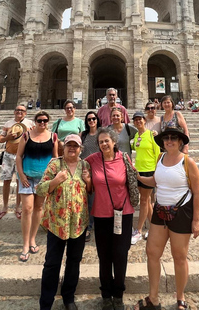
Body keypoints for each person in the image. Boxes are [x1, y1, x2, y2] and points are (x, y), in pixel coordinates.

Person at [135, 127, 199, 310]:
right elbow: (156, 182)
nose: (169, 141)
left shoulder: (188, 162)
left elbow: (197, 192)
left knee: (179, 256)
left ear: (180, 142)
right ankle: (153, 298)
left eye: (173, 138)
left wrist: (195, 221)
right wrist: (138, 177)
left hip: (182, 212)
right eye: (166, 138)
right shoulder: (160, 159)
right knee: (152, 252)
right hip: (159, 211)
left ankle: (180, 298)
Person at [36, 134, 91, 310]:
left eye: (76, 146)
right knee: (52, 263)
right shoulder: (55, 164)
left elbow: (89, 191)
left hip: (78, 223)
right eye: (69, 145)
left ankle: (68, 297)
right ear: (63, 147)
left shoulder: (85, 165)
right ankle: (46, 302)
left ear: (80, 149)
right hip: (56, 223)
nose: (72, 148)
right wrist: (55, 180)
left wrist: (88, 181)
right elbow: (40, 189)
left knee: (74, 262)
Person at [85, 128, 135, 310]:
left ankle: (119, 294)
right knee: (104, 256)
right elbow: (75, 165)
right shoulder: (92, 160)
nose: (104, 144)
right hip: (101, 215)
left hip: (123, 213)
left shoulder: (124, 158)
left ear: (114, 142)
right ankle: (106, 294)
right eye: (101, 142)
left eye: (107, 140)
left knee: (121, 255)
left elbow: (134, 178)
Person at [15, 110, 58, 262]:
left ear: (48, 122)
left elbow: (55, 158)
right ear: (35, 121)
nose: (42, 123)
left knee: (39, 208)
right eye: (39, 120)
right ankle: (25, 244)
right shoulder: (26, 135)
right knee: (27, 208)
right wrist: (20, 175)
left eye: (45, 120)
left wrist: (51, 178)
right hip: (27, 177)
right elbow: (18, 156)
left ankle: (32, 239)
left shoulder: (53, 136)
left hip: (43, 179)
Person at [0, 105, 35, 220]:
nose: (19, 112)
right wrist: (7, 137)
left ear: (26, 113)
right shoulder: (8, 123)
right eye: (17, 110)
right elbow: (0, 139)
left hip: (23, 156)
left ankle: (18, 207)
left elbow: (34, 137)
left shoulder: (30, 124)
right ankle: (5, 206)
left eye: (22, 110)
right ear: (14, 112)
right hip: (8, 155)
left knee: (20, 181)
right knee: (6, 180)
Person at [131, 112, 160, 245]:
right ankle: (155, 228)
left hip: (149, 171)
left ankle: (138, 230)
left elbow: (158, 153)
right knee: (147, 201)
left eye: (140, 119)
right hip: (139, 170)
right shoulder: (137, 135)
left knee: (143, 200)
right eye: (135, 120)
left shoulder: (151, 135)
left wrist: (157, 172)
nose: (138, 122)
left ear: (144, 120)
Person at [80, 111, 102, 242]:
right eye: (89, 119)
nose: (92, 121)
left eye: (94, 118)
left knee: (96, 199)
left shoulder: (102, 133)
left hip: (99, 169)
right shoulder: (83, 134)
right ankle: (87, 225)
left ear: (97, 120)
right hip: (85, 170)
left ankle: (93, 225)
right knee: (87, 199)